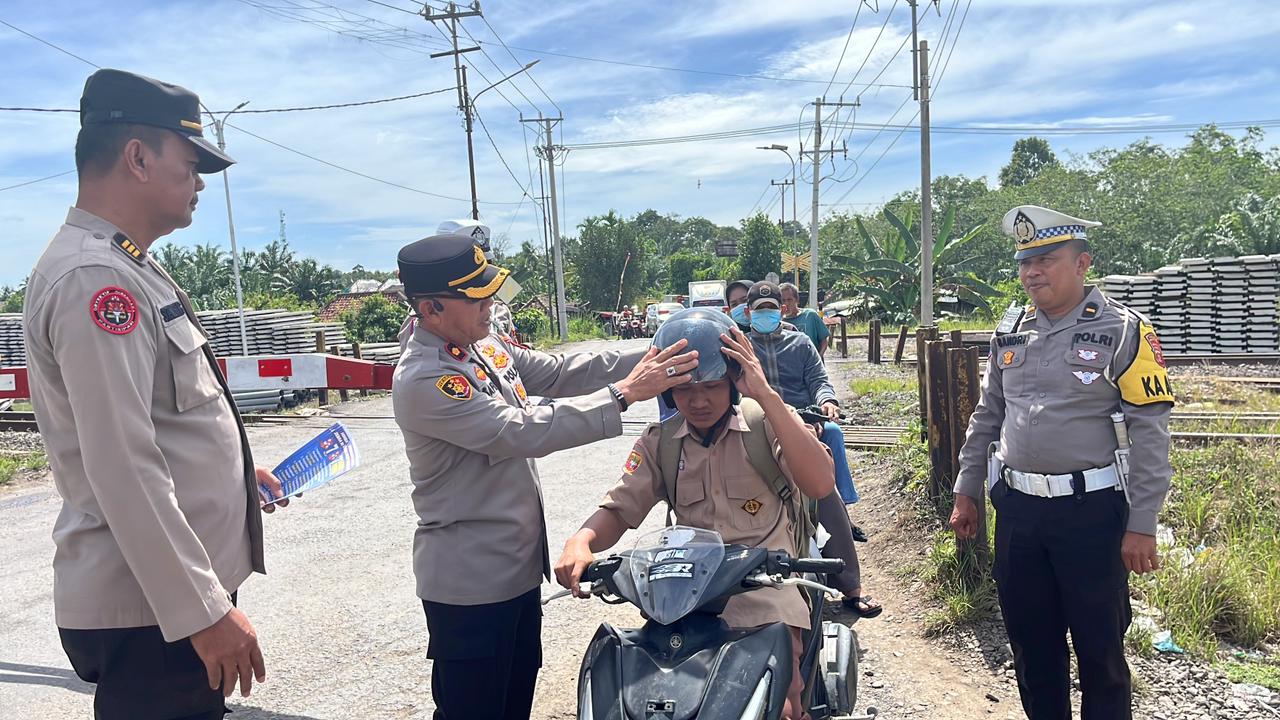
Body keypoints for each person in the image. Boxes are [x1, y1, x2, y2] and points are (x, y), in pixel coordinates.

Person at [23, 68, 291, 720]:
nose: (199, 182)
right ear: (138, 157)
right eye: (191, 162)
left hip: (160, 602)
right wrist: (203, 613)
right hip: (152, 614)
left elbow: (158, 419)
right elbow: (121, 465)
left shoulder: (126, 262)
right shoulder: (95, 277)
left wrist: (229, 470)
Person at [391, 234, 698, 720]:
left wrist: (659, 349)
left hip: (513, 573)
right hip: (469, 584)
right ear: (430, 308)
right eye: (476, 298)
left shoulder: (477, 343)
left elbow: (558, 371)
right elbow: (517, 430)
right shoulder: (425, 378)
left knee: (512, 704)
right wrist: (624, 395)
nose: (490, 305)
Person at [950, 205, 1174, 720]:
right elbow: (988, 414)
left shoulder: (1123, 331)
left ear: (1082, 264)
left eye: (1047, 259)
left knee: (1101, 653)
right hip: (1020, 513)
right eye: (1025, 262)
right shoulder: (1011, 330)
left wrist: (1142, 525)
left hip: (1092, 515)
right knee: (1032, 649)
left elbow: (1151, 436)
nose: (1032, 272)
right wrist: (967, 489)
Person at [555, 308, 834, 719]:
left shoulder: (767, 424)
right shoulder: (661, 443)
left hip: (766, 595)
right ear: (668, 392)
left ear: (734, 384)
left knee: (784, 704)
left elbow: (820, 484)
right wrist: (581, 541)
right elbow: (618, 509)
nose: (699, 400)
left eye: (712, 386)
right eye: (685, 390)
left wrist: (767, 395)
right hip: (685, 600)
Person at [737, 281, 880, 617]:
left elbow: (819, 381)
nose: (767, 315)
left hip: (803, 423)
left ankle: (851, 583)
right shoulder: (740, 348)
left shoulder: (800, 343)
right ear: (748, 313)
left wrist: (826, 402)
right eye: (760, 311)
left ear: (782, 309)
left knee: (827, 463)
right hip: (753, 426)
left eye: (772, 309)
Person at [780, 281, 830, 359]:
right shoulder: (780, 322)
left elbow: (824, 340)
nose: (786, 303)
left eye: (789, 300)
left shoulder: (810, 315)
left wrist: (819, 357)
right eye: (783, 300)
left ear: (796, 300)